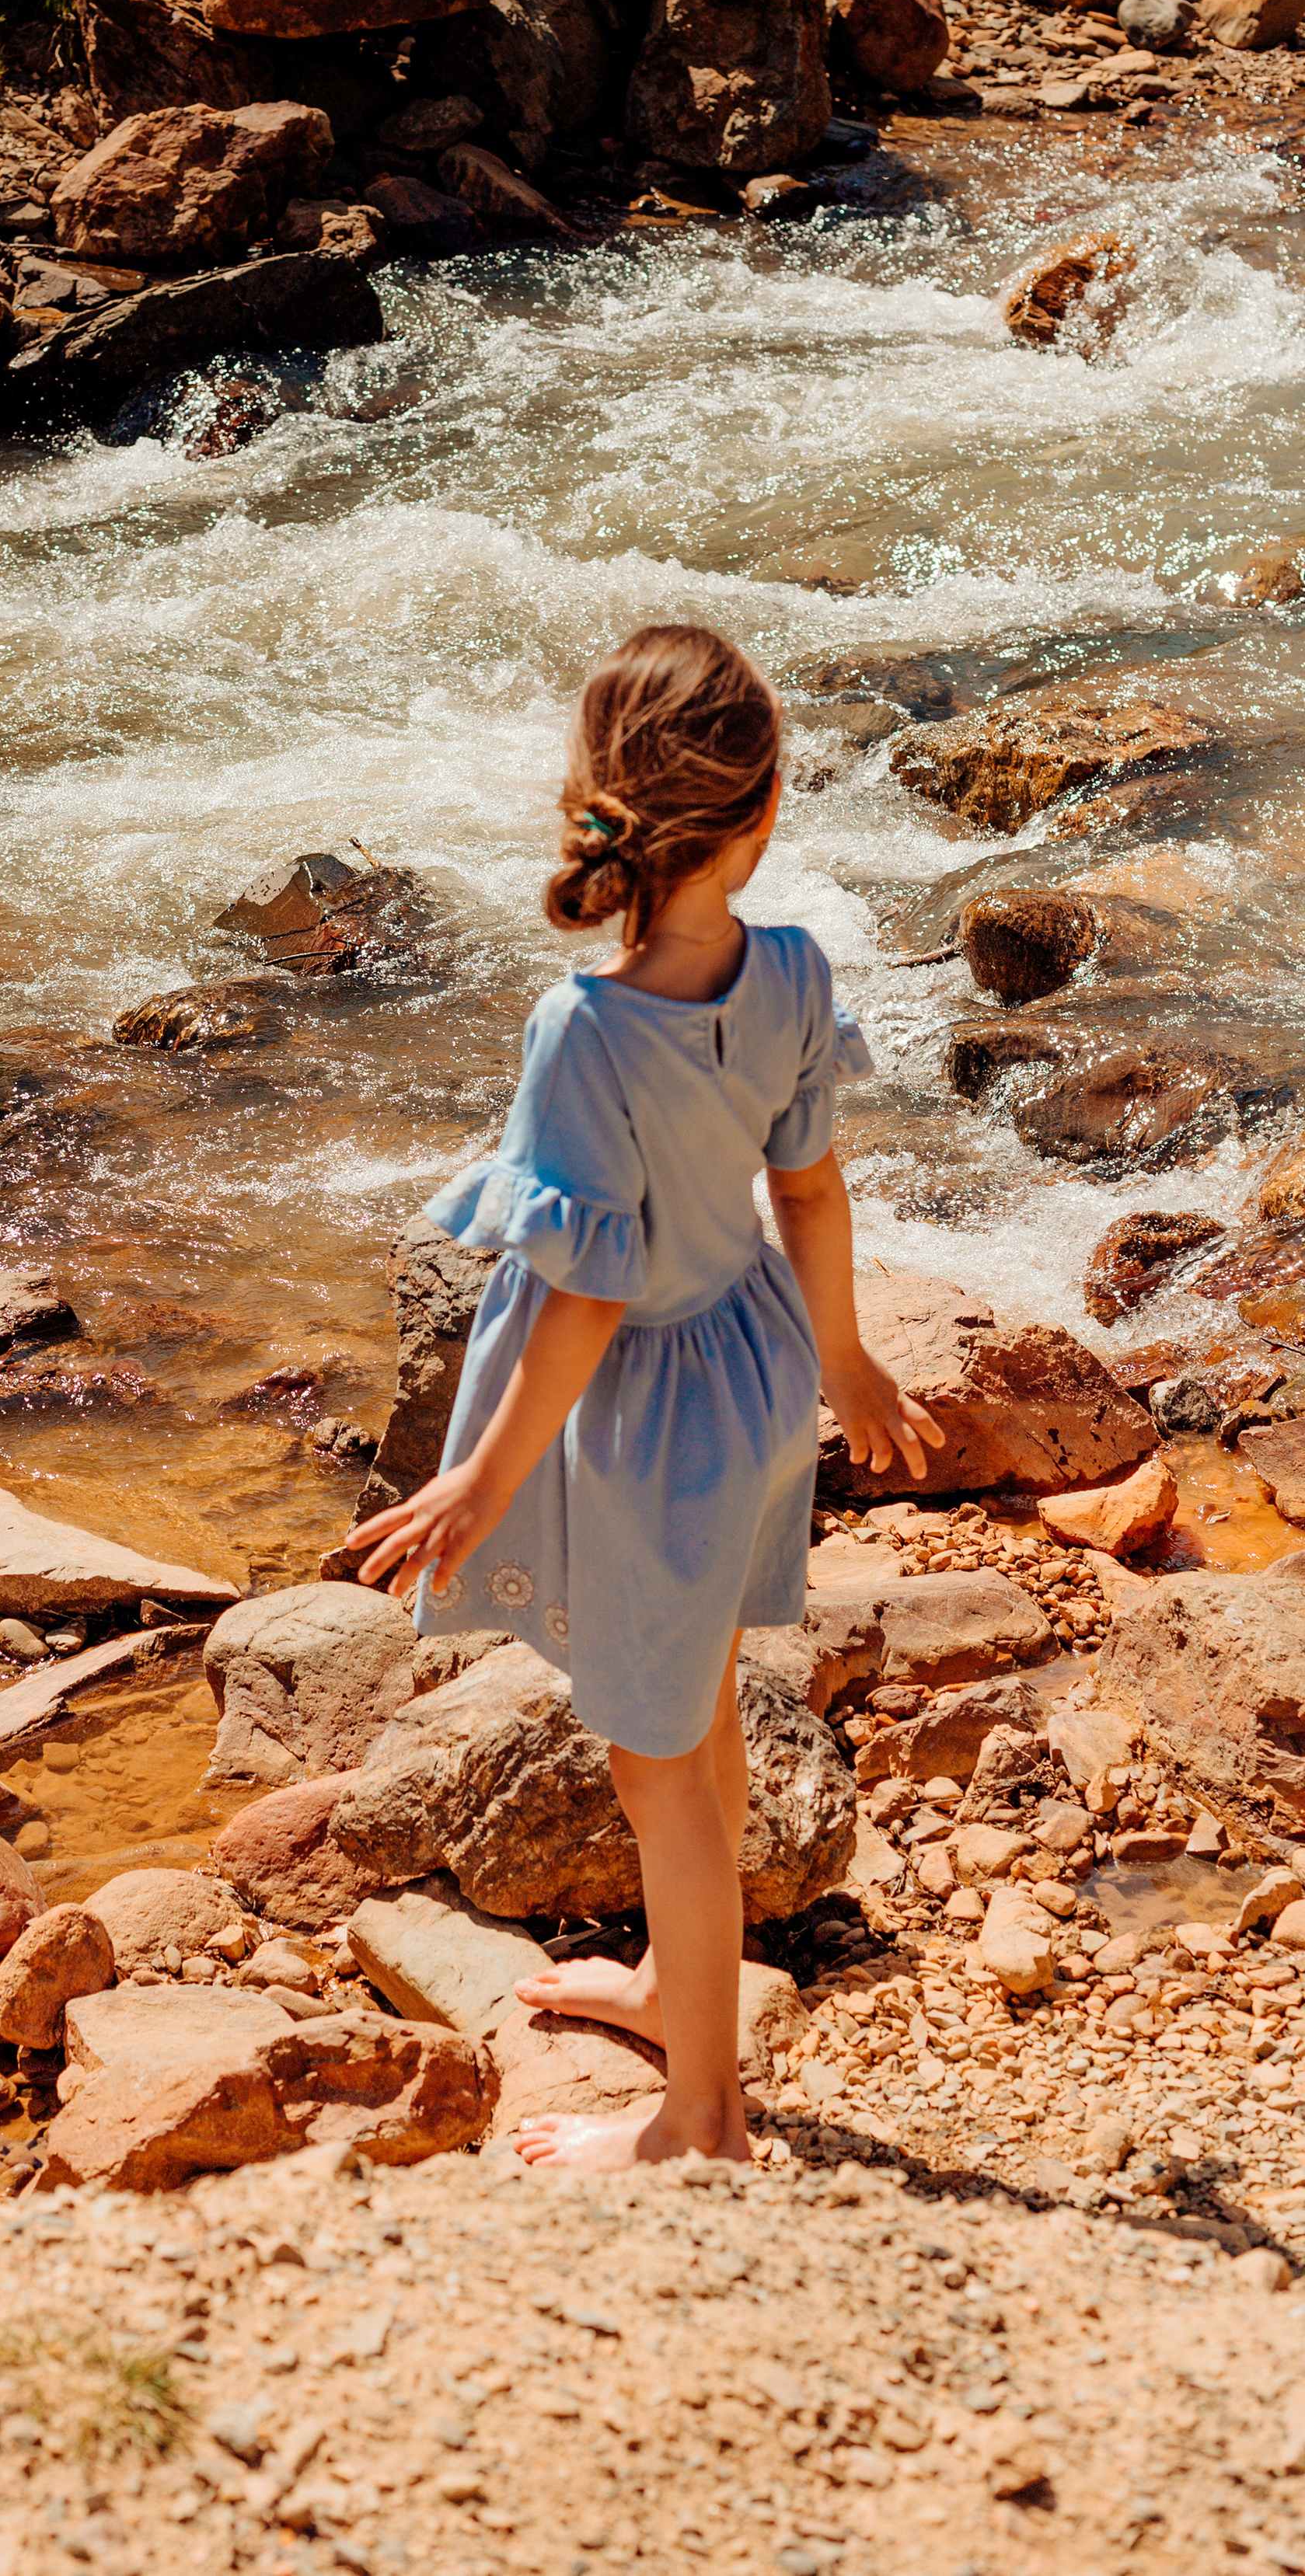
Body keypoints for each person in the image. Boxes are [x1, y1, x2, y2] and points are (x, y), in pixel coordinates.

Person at [347, 624, 940, 2169]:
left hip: (639, 1422)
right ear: (761, 816)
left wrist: (478, 1474)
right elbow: (805, 1195)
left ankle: (699, 2119)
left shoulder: (586, 1026)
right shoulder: (794, 969)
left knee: (651, 1763)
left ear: (597, 802)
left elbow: (585, 1289)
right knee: (696, 1724)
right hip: (747, 1370)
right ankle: (687, 1994)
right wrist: (847, 1360)